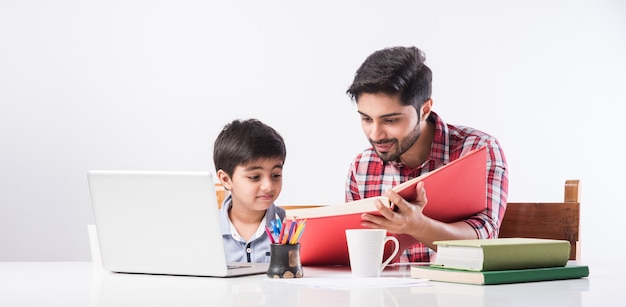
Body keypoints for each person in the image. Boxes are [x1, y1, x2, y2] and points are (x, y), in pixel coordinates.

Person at [345, 46, 509, 263]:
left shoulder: (478, 150)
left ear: (424, 110)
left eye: (391, 120)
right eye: (366, 119)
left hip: (461, 293)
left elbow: (486, 237)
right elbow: (357, 253)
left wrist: (418, 226)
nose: (375, 134)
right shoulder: (362, 167)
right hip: (387, 294)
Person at [213, 118, 287, 263]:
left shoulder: (289, 228)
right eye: (254, 177)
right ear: (226, 180)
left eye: (276, 175)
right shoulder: (208, 230)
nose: (268, 186)